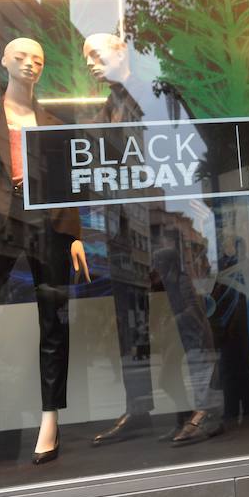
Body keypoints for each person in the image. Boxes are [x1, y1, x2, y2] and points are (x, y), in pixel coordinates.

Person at [81, 33, 223, 446]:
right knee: (131, 318)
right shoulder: (108, 109)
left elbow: (196, 150)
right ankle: (139, 408)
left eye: (96, 53)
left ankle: (209, 408)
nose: (90, 62)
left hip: (165, 222)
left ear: (121, 51)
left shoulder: (159, 94)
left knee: (187, 310)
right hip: (125, 227)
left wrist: (192, 206)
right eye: (85, 56)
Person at [0, 38, 91, 464]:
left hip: (48, 224)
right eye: (21, 57)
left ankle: (50, 419)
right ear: (4, 61)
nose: (30, 64)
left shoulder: (51, 121)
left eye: (38, 60)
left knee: (53, 322)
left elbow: (67, 181)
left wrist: (75, 234)